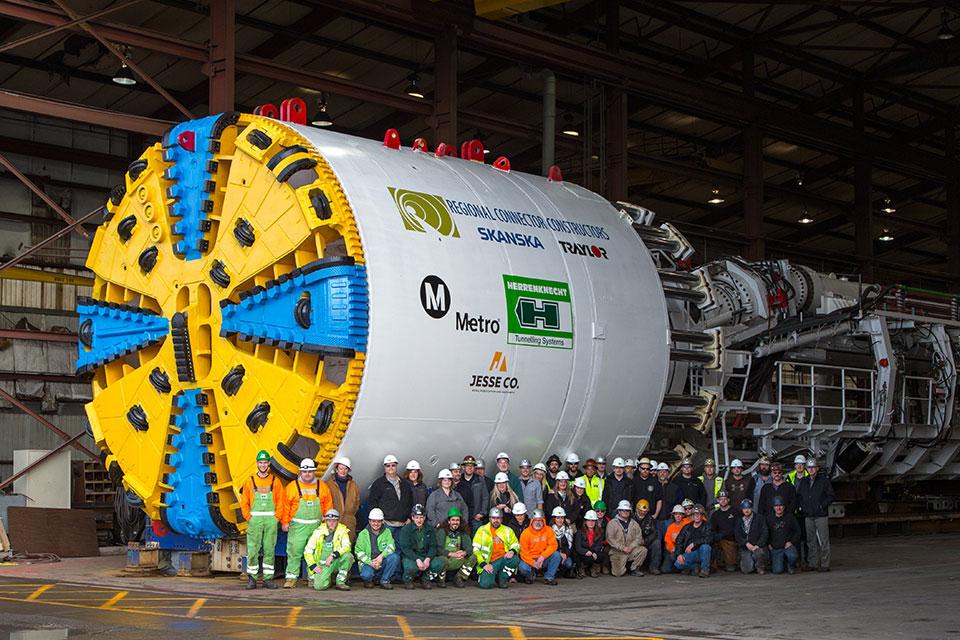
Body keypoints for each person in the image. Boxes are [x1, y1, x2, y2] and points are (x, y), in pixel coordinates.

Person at [281, 458, 333, 588]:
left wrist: (328, 523)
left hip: (316, 526)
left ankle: (313, 578)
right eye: (305, 471)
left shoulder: (322, 487)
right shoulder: (292, 487)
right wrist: (285, 522)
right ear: (300, 472)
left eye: (310, 471)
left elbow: (328, 506)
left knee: (315, 553)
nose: (307, 474)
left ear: (313, 472)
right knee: (294, 552)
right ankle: (291, 578)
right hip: (297, 526)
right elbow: (285, 506)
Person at [241, 450, 283, 589]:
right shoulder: (250, 481)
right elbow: (244, 502)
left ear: (269, 464)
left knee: (269, 549)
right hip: (255, 521)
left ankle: (268, 579)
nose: (263, 465)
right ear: (257, 463)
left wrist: (276, 518)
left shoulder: (275, 482)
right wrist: (249, 518)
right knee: (253, 550)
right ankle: (252, 579)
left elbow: (280, 502)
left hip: (270, 520)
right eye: (261, 462)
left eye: (265, 462)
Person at [797, 458, 834, 572]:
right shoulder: (804, 481)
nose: (811, 469)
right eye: (809, 467)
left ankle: (825, 564)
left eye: (813, 467)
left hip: (821, 515)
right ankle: (813, 563)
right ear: (806, 469)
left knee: (824, 540)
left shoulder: (824, 481)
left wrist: (821, 506)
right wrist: (803, 507)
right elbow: (799, 496)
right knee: (810, 541)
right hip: (808, 515)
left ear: (817, 468)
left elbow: (831, 496)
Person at [303, 509, 353, 591]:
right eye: (329, 521)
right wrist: (313, 566)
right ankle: (327, 579)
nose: (331, 523)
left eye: (334, 521)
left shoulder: (342, 530)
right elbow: (307, 551)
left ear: (338, 521)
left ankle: (340, 582)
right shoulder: (318, 532)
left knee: (348, 556)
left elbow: (347, 546)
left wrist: (333, 555)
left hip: (334, 561)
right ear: (325, 521)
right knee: (319, 587)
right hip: (322, 565)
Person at [368, 454, 413, 542]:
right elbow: (372, 503)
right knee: (386, 550)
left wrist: (409, 518)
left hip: (403, 524)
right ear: (385, 468)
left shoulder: (404, 483)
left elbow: (410, 502)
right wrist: (379, 520)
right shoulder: (379, 484)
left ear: (396, 466)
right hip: (387, 525)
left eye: (393, 465)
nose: (391, 467)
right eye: (388, 466)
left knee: (401, 548)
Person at [472, 507, 520, 589]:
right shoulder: (482, 530)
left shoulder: (508, 530)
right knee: (485, 585)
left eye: (498, 518)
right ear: (489, 519)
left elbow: (516, 545)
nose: (496, 520)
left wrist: (512, 551)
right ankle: (492, 577)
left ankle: (502, 578)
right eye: (493, 518)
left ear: (501, 519)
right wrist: (483, 564)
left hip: (503, 559)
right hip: (489, 563)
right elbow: (475, 549)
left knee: (515, 559)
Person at [399, 504, 443, 589]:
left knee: (440, 563)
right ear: (412, 518)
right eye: (417, 517)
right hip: (411, 557)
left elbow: (433, 546)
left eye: (421, 517)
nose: (419, 520)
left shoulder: (430, 529)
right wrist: (417, 559)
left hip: (425, 555)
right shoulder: (406, 529)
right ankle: (408, 580)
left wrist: (428, 558)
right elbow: (405, 548)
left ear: (425, 518)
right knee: (410, 567)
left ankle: (425, 579)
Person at [354, 507, 400, 589]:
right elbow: (358, 552)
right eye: (373, 521)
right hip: (368, 562)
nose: (376, 524)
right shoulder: (363, 534)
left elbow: (391, 546)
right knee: (366, 575)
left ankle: (384, 581)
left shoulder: (387, 532)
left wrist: (381, 557)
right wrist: (371, 562)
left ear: (383, 521)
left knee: (394, 557)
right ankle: (369, 581)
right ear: (369, 521)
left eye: (379, 521)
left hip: (381, 561)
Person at [435, 507, 476, 587]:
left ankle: (459, 577)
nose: (455, 522)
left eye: (457, 520)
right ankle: (440, 580)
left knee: (474, 556)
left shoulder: (463, 532)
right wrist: (451, 554)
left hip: (458, 558)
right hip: (446, 559)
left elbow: (470, 548)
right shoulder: (441, 531)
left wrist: (464, 553)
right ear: (449, 521)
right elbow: (437, 549)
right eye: (453, 520)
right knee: (441, 559)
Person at [519, 508, 561, 585]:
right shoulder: (525, 533)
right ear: (532, 520)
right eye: (536, 520)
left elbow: (553, 545)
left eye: (540, 520)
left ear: (543, 521)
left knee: (556, 555)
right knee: (523, 568)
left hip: (543, 558)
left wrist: (542, 557)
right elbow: (523, 553)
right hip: (530, 559)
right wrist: (533, 563)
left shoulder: (549, 530)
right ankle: (530, 575)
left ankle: (549, 577)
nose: (538, 522)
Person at [324, 456, 360, 542]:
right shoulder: (328, 484)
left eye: (345, 469)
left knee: (347, 545)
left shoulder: (353, 485)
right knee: (332, 545)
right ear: (336, 469)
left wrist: (349, 514)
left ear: (348, 470)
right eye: (341, 469)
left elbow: (357, 503)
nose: (343, 471)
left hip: (349, 520)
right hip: (332, 519)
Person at [605, 500, 646, 576]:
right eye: (623, 510)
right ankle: (623, 566)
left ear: (630, 511)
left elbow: (638, 538)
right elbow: (610, 539)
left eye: (627, 510)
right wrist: (622, 548)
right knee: (618, 573)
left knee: (643, 550)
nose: (625, 512)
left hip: (631, 550)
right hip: (617, 552)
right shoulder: (612, 523)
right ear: (619, 511)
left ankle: (634, 569)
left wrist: (630, 547)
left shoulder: (634, 523)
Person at [673, 505, 713, 577]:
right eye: (695, 514)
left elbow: (709, 538)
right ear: (692, 516)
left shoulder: (707, 525)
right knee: (677, 564)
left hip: (702, 552)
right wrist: (679, 554)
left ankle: (705, 570)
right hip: (690, 554)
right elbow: (679, 541)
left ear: (702, 515)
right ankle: (695, 567)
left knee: (705, 547)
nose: (697, 516)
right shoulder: (687, 527)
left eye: (699, 514)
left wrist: (694, 544)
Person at [766, 496, 801, 574]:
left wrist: (791, 542)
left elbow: (798, 532)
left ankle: (790, 565)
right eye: (776, 505)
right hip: (775, 548)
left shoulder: (790, 517)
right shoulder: (769, 518)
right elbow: (766, 533)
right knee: (777, 571)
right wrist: (769, 544)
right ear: (773, 507)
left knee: (793, 556)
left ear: (784, 507)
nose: (779, 508)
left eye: (781, 505)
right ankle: (783, 563)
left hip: (787, 546)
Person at [457, 455, 489, 534]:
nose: (470, 468)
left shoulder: (480, 480)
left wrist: (482, 513)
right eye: (467, 466)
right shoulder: (459, 481)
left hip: (476, 518)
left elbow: (485, 497)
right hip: (462, 518)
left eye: (472, 466)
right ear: (463, 467)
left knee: (477, 542)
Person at [734, 499, 768, 574]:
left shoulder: (759, 518)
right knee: (746, 570)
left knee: (759, 553)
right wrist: (745, 543)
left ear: (752, 508)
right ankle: (751, 563)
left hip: (757, 546)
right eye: (744, 508)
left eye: (748, 508)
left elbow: (765, 533)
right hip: (745, 547)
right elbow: (737, 535)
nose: (746, 510)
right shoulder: (739, 520)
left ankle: (760, 567)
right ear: (742, 509)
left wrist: (758, 545)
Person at [710, 491, 738, 572]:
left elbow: (738, 528)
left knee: (727, 544)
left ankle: (730, 563)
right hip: (719, 538)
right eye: (721, 499)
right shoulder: (715, 514)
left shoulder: (735, 512)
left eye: (725, 499)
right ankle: (713, 565)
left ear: (728, 500)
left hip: (731, 539)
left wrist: (725, 533)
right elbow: (712, 529)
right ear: (718, 500)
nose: (723, 501)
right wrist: (715, 536)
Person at [574, 509, 607, 577]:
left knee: (602, 555)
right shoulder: (579, 532)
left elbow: (599, 545)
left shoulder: (600, 532)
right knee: (589, 558)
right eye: (589, 520)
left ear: (595, 522)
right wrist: (586, 551)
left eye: (593, 521)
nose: (591, 522)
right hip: (582, 554)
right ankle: (582, 568)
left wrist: (594, 552)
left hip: (592, 552)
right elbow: (578, 547)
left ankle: (593, 567)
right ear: (585, 521)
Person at [634, 499, 661, 575]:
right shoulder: (631, 518)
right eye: (640, 510)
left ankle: (654, 567)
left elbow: (654, 533)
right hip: (634, 542)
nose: (642, 513)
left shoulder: (650, 519)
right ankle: (634, 568)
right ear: (637, 509)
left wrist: (645, 541)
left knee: (657, 542)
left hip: (646, 542)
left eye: (645, 511)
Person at [549, 506, 575, 577]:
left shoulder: (569, 529)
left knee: (568, 564)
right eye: (558, 518)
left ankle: (562, 571)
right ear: (554, 519)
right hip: (553, 554)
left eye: (562, 518)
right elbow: (548, 546)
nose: (560, 520)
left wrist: (566, 555)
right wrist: (559, 554)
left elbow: (571, 546)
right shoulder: (549, 530)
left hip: (565, 554)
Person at [662, 504, 688, 573]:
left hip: (685, 550)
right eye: (676, 514)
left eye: (680, 514)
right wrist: (672, 549)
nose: (678, 516)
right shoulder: (671, 527)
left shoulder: (687, 524)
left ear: (683, 515)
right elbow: (667, 540)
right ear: (673, 515)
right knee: (665, 570)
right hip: (674, 550)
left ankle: (691, 567)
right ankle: (680, 567)